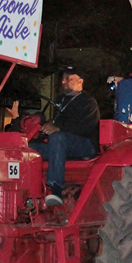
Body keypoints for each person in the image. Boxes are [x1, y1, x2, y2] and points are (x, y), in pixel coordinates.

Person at [30, 67, 100, 207]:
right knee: (27, 149)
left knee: (57, 138)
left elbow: (86, 127)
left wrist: (57, 129)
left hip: (85, 145)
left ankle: (55, 189)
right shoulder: (61, 100)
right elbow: (57, 126)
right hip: (60, 144)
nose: (63, 82)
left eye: (68, 79)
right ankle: (30, 192)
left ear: (80, 81)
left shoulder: (88, 102)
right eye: (63, 79)